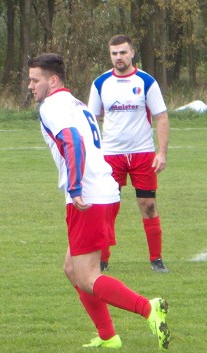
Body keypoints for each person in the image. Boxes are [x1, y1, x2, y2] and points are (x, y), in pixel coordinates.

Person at [27, 53, 170, 350]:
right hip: (105, 190)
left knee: (89, 277)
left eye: (35, 80)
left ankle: (148, 308)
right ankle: (108, 336)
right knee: (72, 268)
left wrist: (76, 186)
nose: (30, 86)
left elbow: (72, 142)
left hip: (88, 195)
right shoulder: (77, 104)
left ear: (52, 81)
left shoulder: (51, 105)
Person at [88, 35, 170, 273]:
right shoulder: (101, 83)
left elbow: (161, 117)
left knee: (148, 204)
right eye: (114, 53)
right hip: (111, 155)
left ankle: (156, 259)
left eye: (123, 52)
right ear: (110, 55)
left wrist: (161, 153)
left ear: (132, 53)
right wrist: (94, 154)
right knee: (107, 207)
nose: (119, 57)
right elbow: (91, 120)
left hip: (143, 154)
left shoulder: (146, 82)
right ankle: (102, 260)